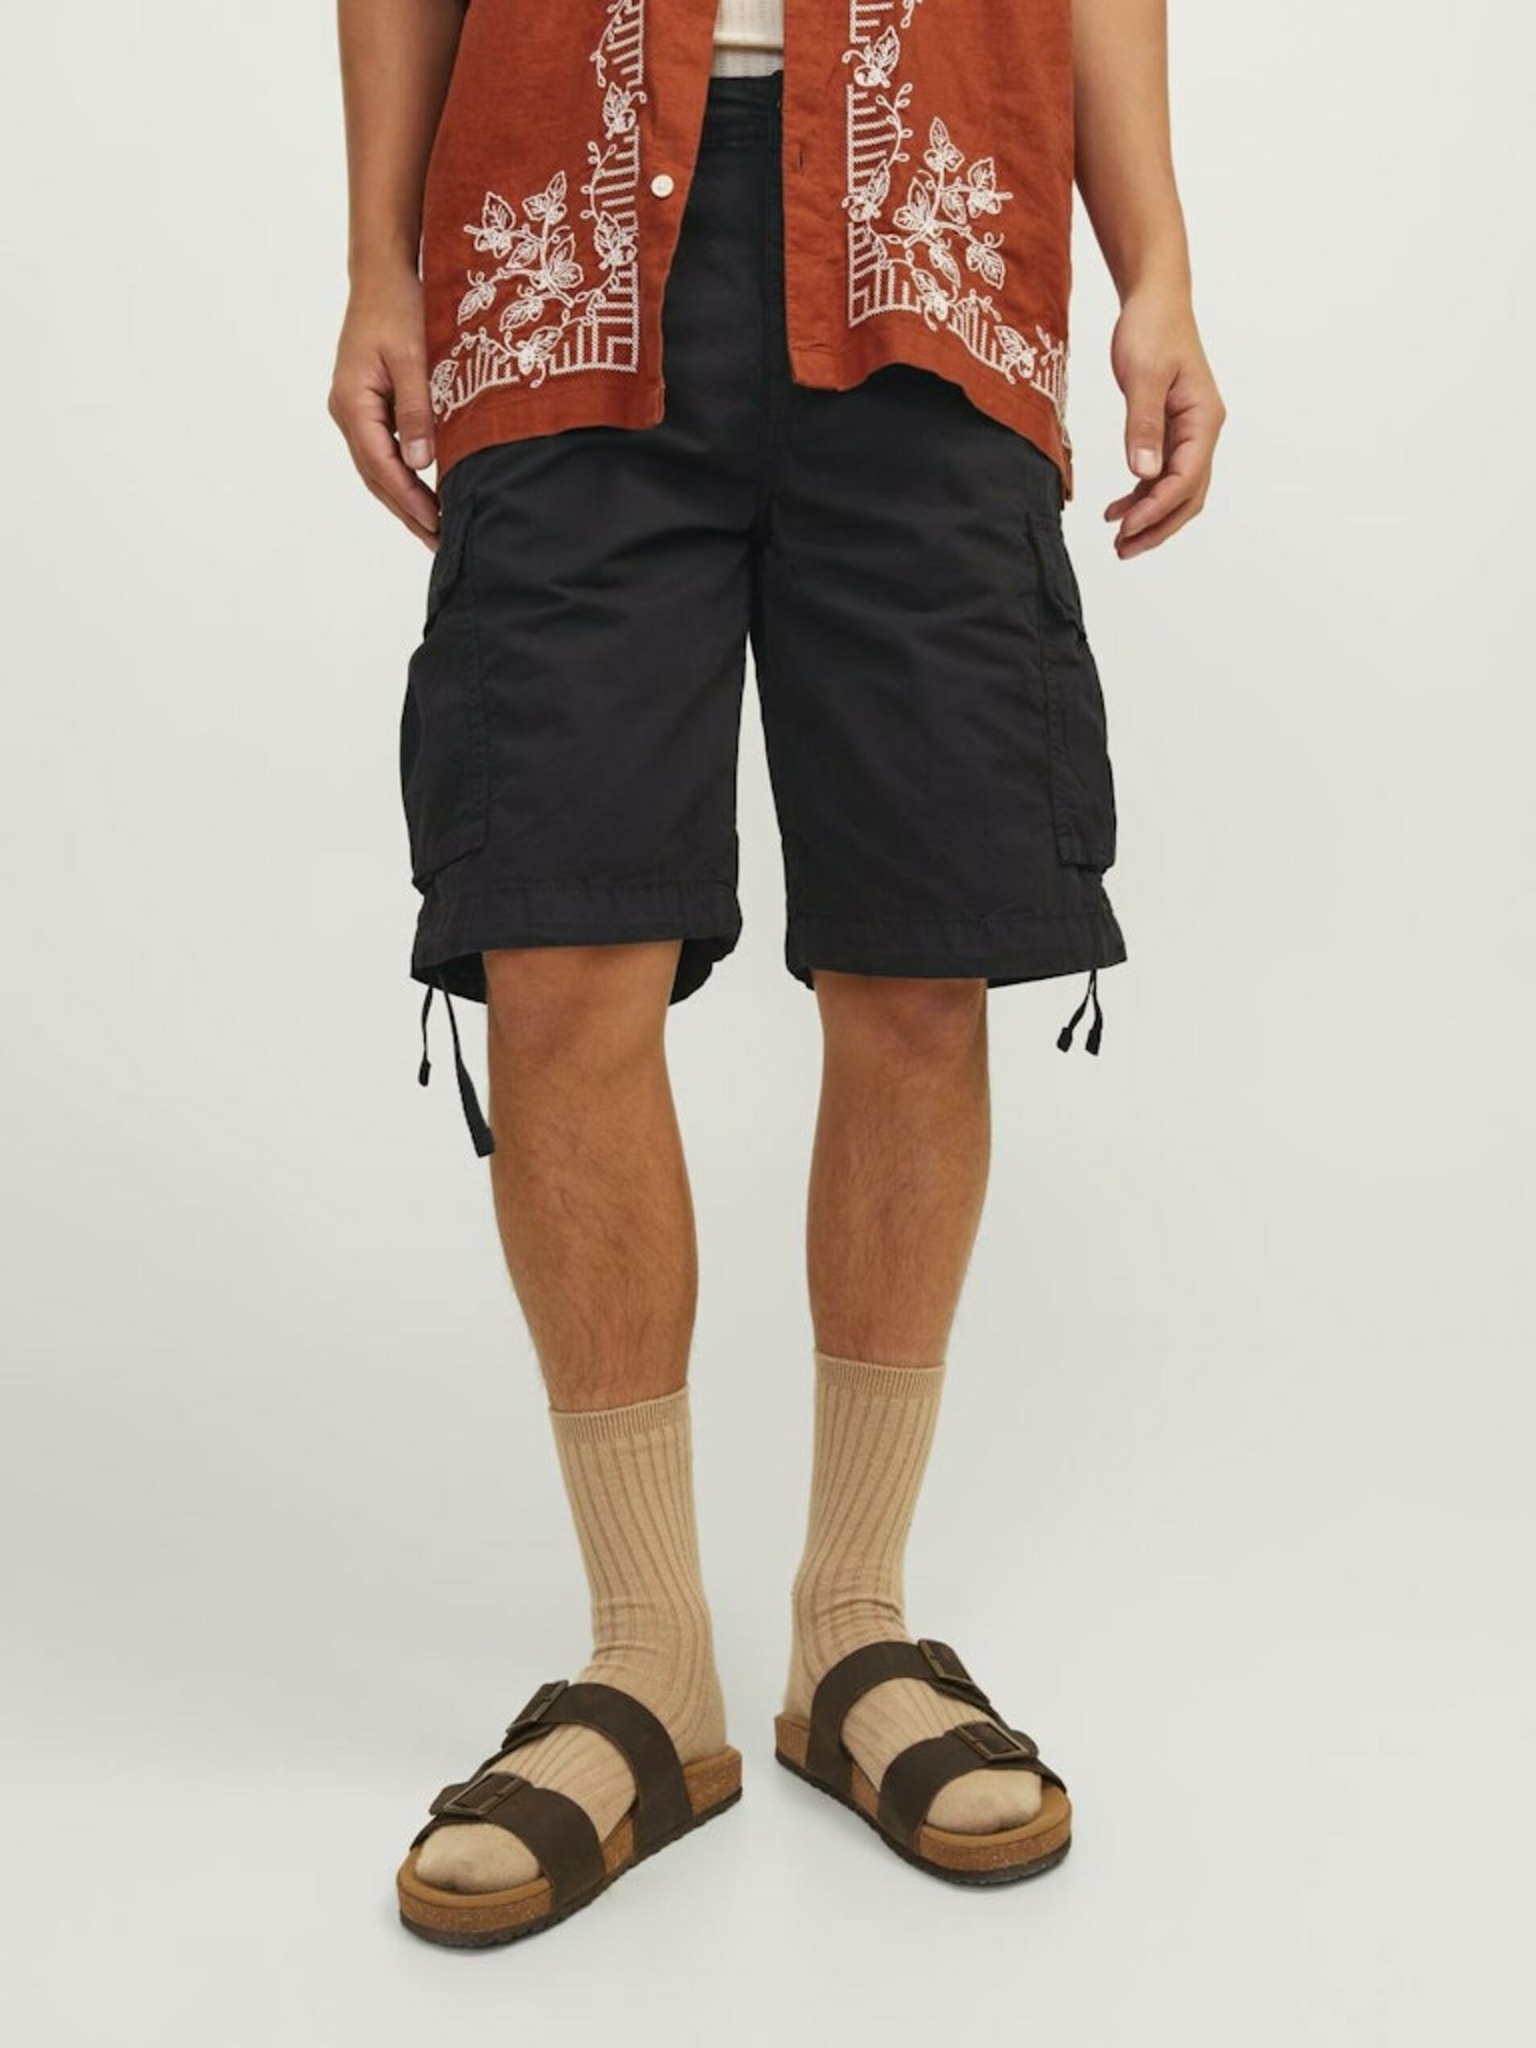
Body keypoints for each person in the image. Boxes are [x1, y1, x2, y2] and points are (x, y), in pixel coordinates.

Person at [329, 0, 1224, 1945]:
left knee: (920, 960)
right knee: (560, 944)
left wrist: (1154, 260)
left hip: (937, 226)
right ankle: (647, 1661)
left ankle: (855, 1631)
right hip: (554, 231)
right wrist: (375, 257)